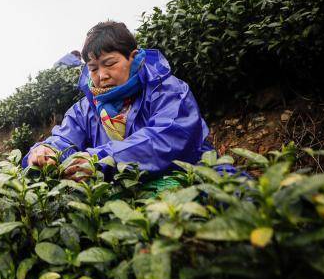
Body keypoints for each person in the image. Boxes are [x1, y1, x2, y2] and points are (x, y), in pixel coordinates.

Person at [23, 21, 213, 181]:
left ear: (134, 57)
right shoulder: (85, 109)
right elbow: (64, 138)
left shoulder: (167, 90)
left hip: (192, 179)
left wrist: (101, 160)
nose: (102, 75)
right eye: (93, 68)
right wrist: (46, 151)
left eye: (110, 63)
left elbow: (169, 137)